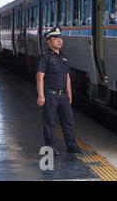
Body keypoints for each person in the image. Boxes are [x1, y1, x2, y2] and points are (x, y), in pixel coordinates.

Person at [36, 26, 84, 155]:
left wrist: (70, 94)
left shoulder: (63, 57)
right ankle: (50, 147)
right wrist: (41, 96)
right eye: (55, 38)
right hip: (50, 94)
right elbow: (40, 76)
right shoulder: (44, 57)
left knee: (68, 121)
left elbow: (67, 76)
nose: (59, 41)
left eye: (60, 38)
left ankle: (72, 146)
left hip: (63, 96)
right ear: (49, 42)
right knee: (50, 122)